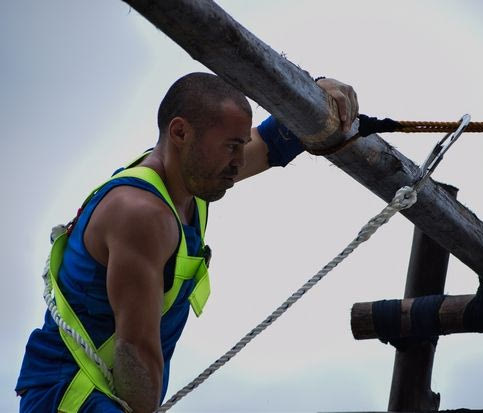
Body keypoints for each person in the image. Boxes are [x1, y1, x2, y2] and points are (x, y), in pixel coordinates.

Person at [16, 72, 359, 412]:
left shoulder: (192, 181)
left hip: (108, 394)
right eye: (231, 146)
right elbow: (135, 355)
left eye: (241, 145)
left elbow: (271, 145)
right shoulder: (141, 215)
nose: (239, 161)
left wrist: (316, 93)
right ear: (180, 132)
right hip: (74, 399)